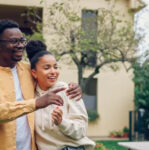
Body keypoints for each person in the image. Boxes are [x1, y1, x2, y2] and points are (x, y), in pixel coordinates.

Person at [0, 19, 82, 150]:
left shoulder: (28, 70)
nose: (20, 45)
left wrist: (73, 87)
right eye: (14, 41)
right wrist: (36, 103)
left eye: (22, 41)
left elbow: (50, 80)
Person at [26, 40, 95, 150]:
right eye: (47, 68)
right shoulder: (30, 96)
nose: (53, 71)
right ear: (34, 73)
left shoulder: (68, 91)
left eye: (56, 67)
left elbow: (81, 130)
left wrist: (61, 122)